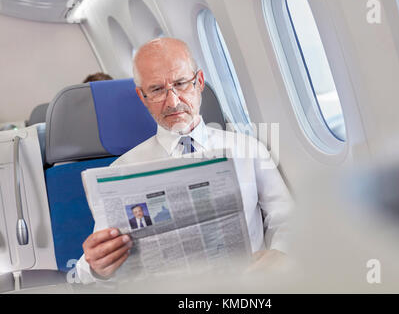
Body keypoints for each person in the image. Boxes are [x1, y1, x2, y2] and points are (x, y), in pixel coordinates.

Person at [76, 37, 293, 283]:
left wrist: (281, 253)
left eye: (180, 84)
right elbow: (101, 257)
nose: (173, 101)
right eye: (157, 90)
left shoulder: (247, 148)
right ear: (142, 96)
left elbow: (286, 217)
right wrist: (97, 268)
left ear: (199, 82)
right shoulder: (123, 170)